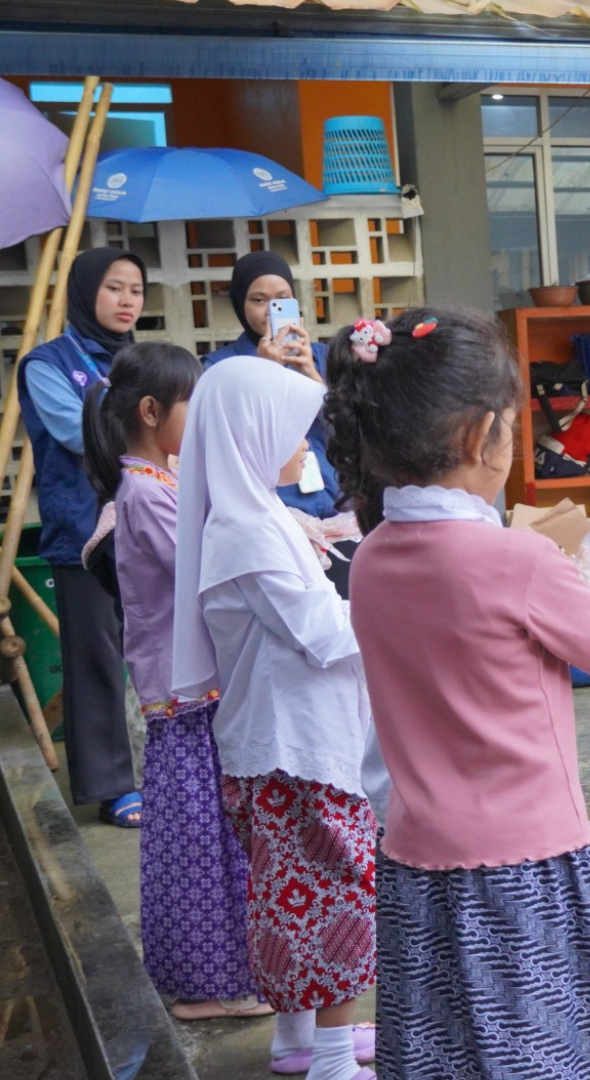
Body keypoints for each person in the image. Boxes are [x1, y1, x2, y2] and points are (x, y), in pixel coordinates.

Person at [322, 307, 590, 1078]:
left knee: (444, 1047)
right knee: (539, 1047)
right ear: (479, 435)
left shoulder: (374, 557)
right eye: (514, 426)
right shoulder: (514, 560)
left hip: (417, 858)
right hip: (523, 863)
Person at [171, 355, 378, 1080]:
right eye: (294, 430)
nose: (305, 446)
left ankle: (299, 1039)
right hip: (296, 746)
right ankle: (327, 1059)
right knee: (334, 893)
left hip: (288, 739)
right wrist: (400, 607)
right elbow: (322, 635)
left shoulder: (256, 514)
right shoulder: (247, 530)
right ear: (251, 433)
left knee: (297, 893)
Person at [80, 342, 267, 1021]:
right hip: (185, 695)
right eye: (193, 402)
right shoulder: (143, 492)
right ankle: (205, 987)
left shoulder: (155, 482)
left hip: (194, 688)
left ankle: (213, 978)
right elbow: (207, 565)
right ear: (152, 410)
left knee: (210, 838)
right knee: (200, 844)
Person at [16, 247, 145, 827]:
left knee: (162, 652)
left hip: (152, 522)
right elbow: (75, 433)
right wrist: (145, 421)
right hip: (85, 532)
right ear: (86, 292)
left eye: (136, 291)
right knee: (95, 658)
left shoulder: (145, 359)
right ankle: (113, 786)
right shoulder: (47, 363)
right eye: (115, 288)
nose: (126, 301)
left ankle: (163, 770)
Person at [201, 251, 357, 594]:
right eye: (259, 300)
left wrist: (313, 378)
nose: (271, 310)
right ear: (240, 305)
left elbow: (350, 432)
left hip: (335, 508)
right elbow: (234, 443)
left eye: (282, 299)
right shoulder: (222, 367)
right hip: (275, 517)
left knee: (348, 614)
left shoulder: (325, 356)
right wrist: (263, 373)